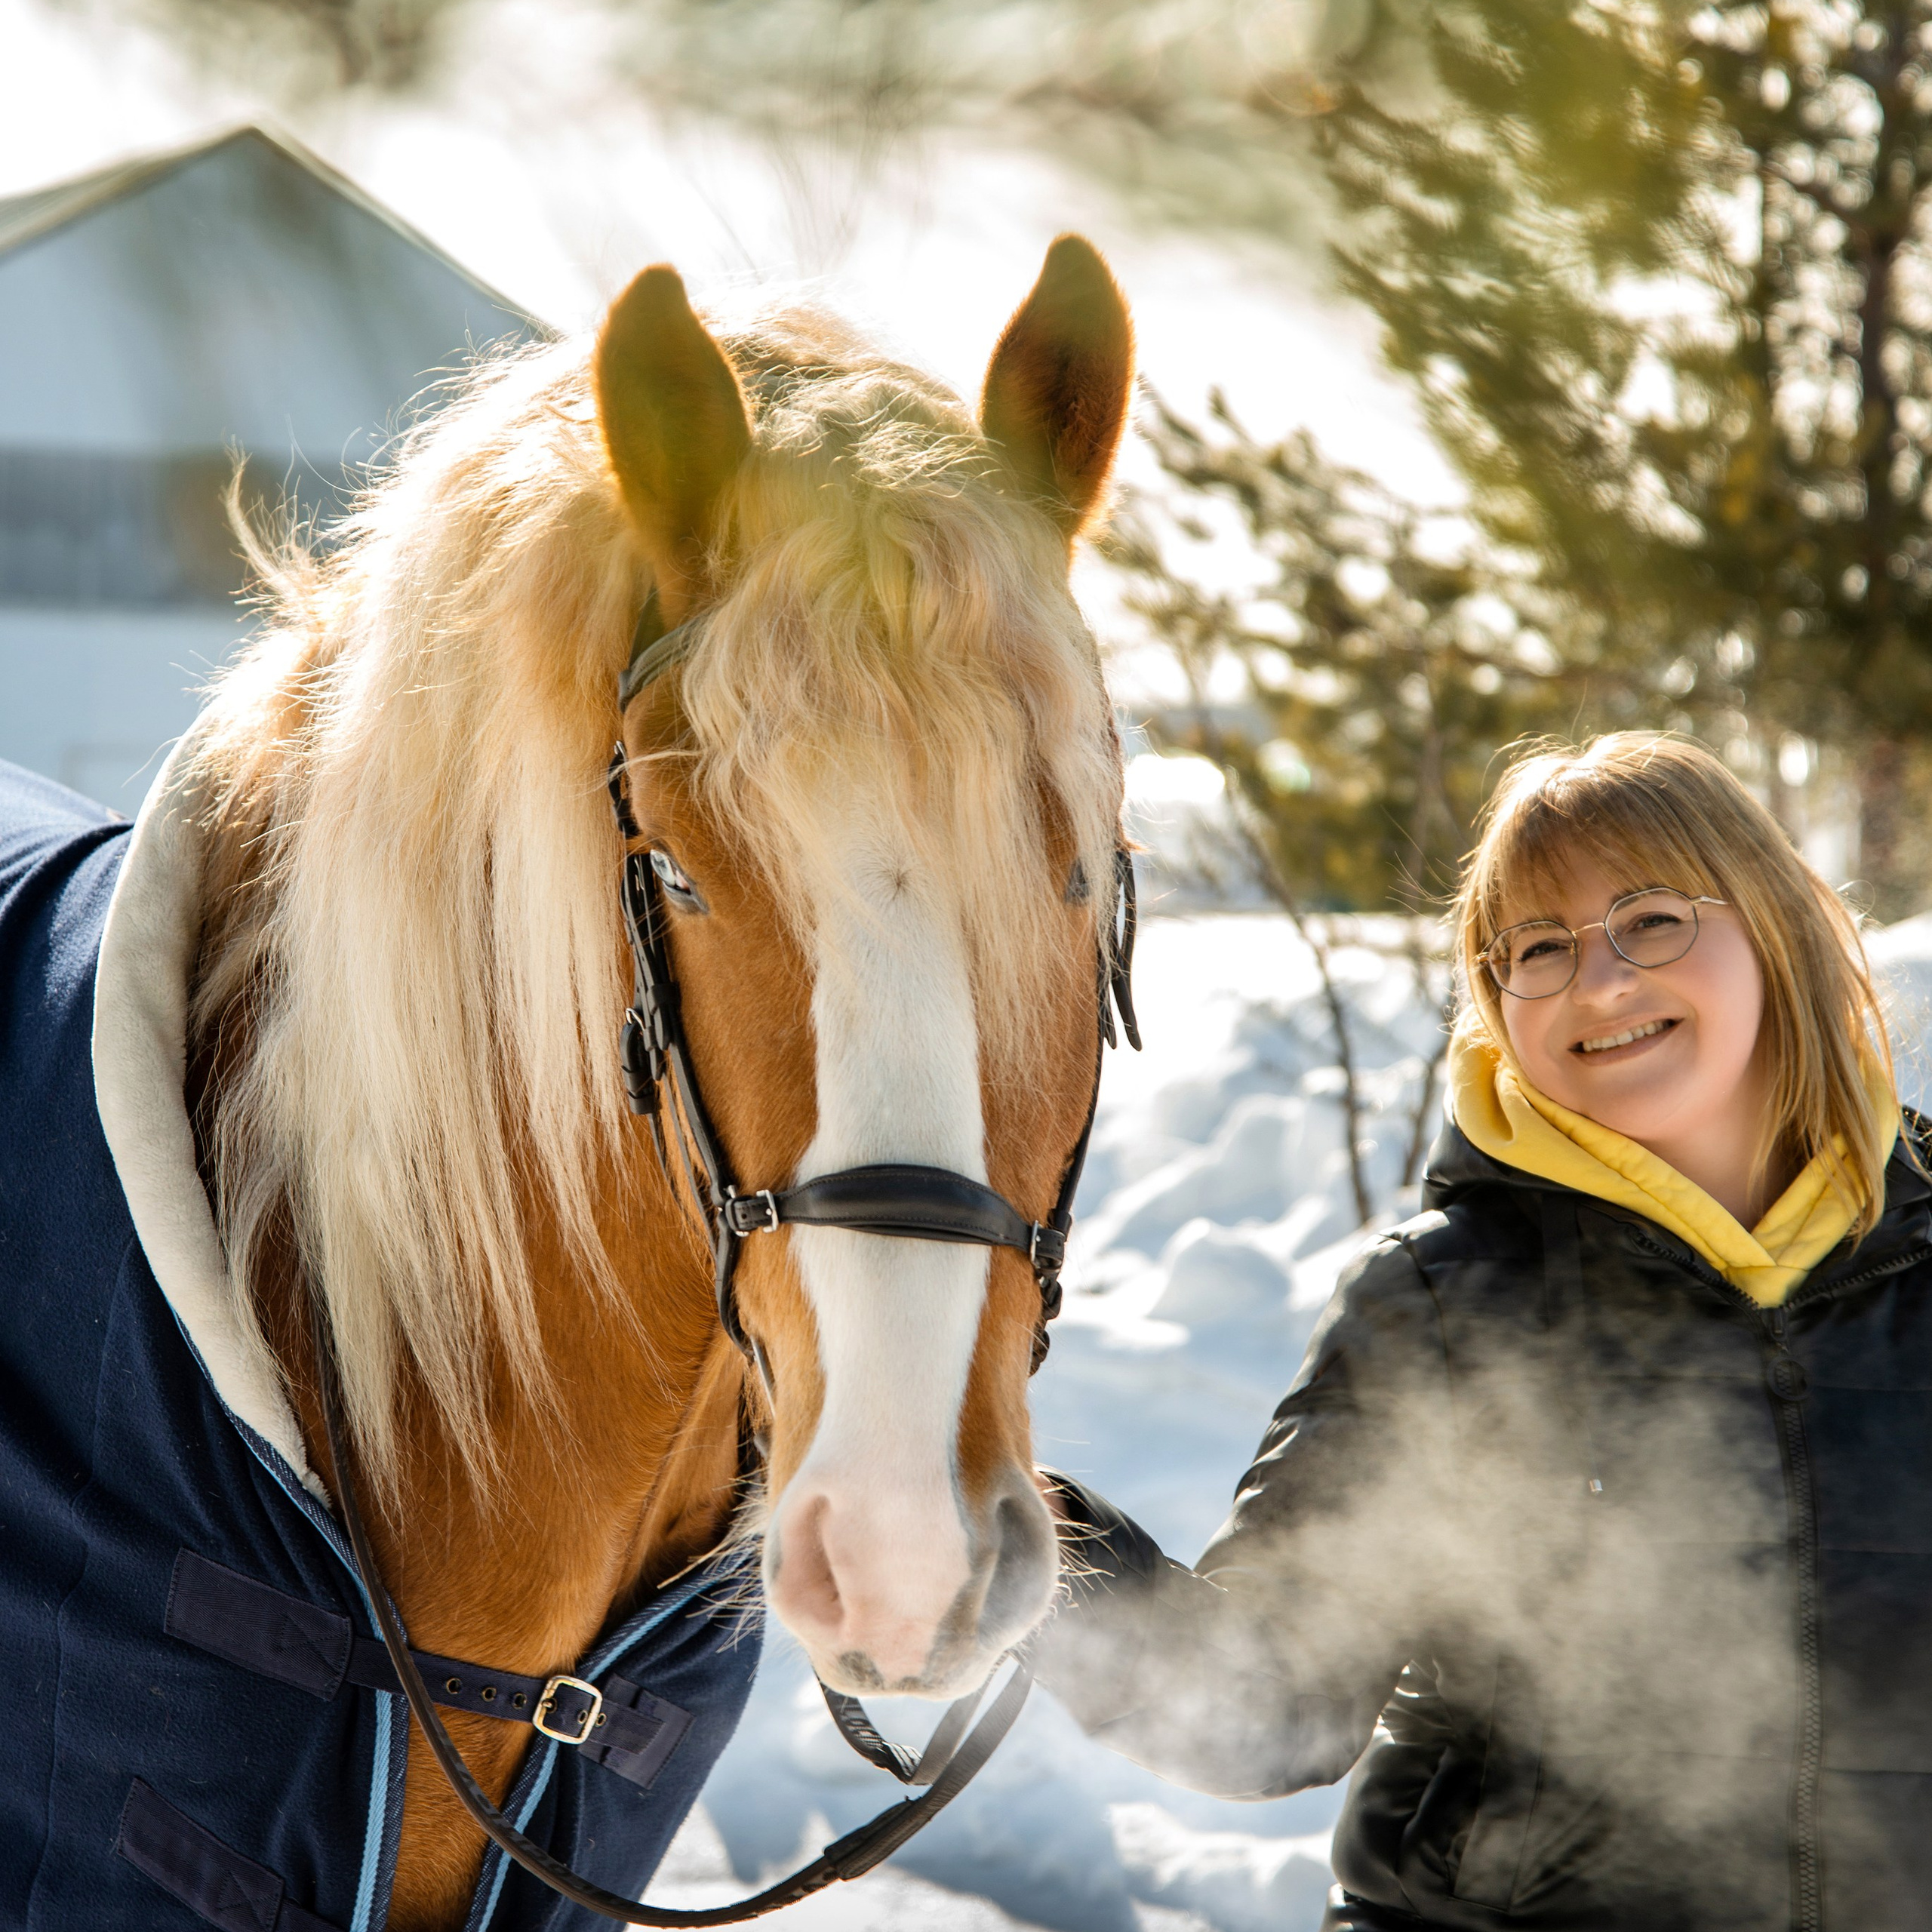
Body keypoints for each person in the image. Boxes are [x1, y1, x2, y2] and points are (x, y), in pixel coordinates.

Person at [1035, 734, 1932, 1930]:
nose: (1599, 980)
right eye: (1541, 949)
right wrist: (1020, 1551)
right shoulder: (1448, 1307)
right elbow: (1266, 1703)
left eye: (1652, 919)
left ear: (1775, 928)